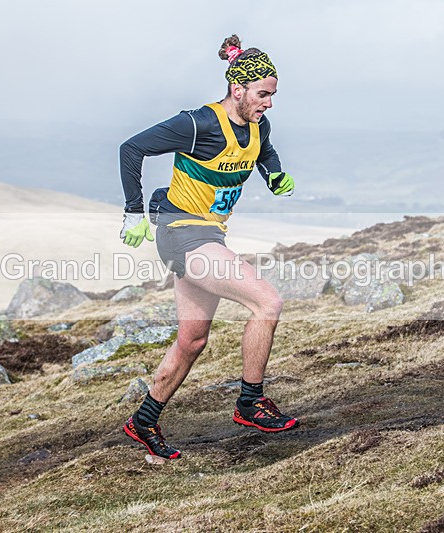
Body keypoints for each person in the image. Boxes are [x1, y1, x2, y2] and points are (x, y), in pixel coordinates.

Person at [118, 35, 298, 460]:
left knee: (192, 341)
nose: (269, 103)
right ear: (238, 90)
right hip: (182, 233)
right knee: (267, 303)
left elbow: (264, 152)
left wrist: (274, 174)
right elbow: (132, 148)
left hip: (208, 236)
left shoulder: (257, 124)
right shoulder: (198, 123)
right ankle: (250, 402)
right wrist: (133, 212)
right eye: (263, 94)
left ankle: (143, 421)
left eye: (272, 95)